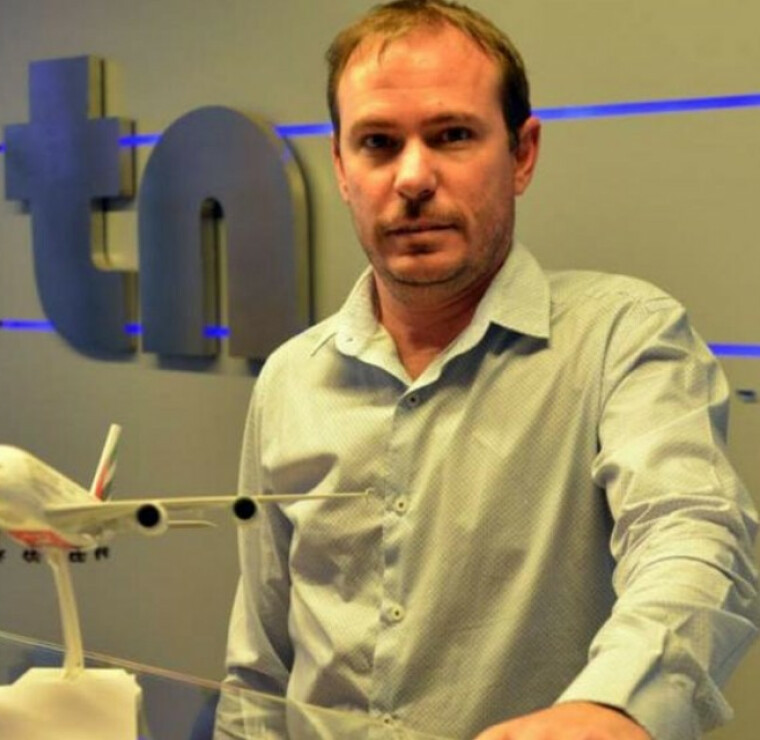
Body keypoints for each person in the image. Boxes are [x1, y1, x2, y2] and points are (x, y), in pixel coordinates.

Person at [221, 1, 759, 738]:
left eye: (452, 135)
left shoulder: (623, 338)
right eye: (378, 143)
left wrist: (614, 706)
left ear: (522, 153)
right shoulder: (291, 379)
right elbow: (259, 669)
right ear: (343, 169)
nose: (413, 177)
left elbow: (693, 535)